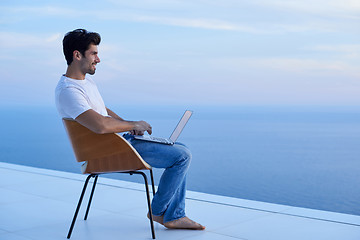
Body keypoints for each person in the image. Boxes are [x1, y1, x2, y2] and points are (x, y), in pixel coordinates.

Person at [55, 29, 205, 230]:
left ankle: (172, 213)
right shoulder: (68, 91)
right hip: (105, 152)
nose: (98, 59)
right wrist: (134, 125)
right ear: (77, 55)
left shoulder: (85, 82)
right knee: (182, 156)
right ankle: (162, 213)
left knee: (180, 148)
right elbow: (100, 125)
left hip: (118, 142)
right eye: (94, 53)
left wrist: (128, 124)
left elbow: (103, 112)